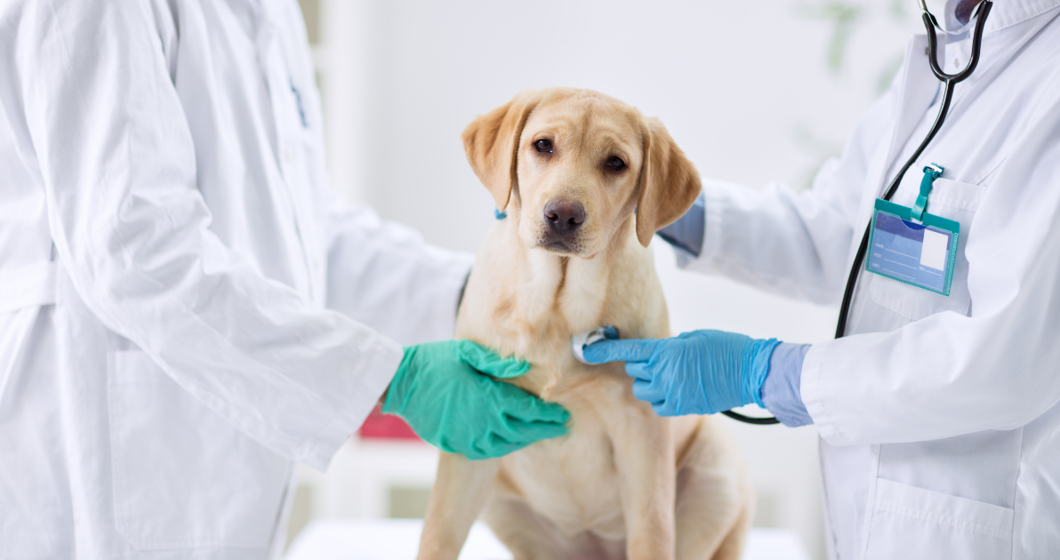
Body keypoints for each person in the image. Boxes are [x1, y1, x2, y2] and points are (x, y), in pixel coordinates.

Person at [0, 1, 567, 558]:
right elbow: (136, 253)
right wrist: (394, 380)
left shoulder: (268, 12)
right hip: (101, 464)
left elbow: (306, 234)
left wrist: (485, 294)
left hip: (215, 474)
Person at [584, 1, 1060, 558]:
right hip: (868, 519)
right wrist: (669, 204)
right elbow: (845, 234)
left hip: (973, 531)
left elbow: (1002, 364)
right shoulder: (949, 54)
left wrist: (767, 372)